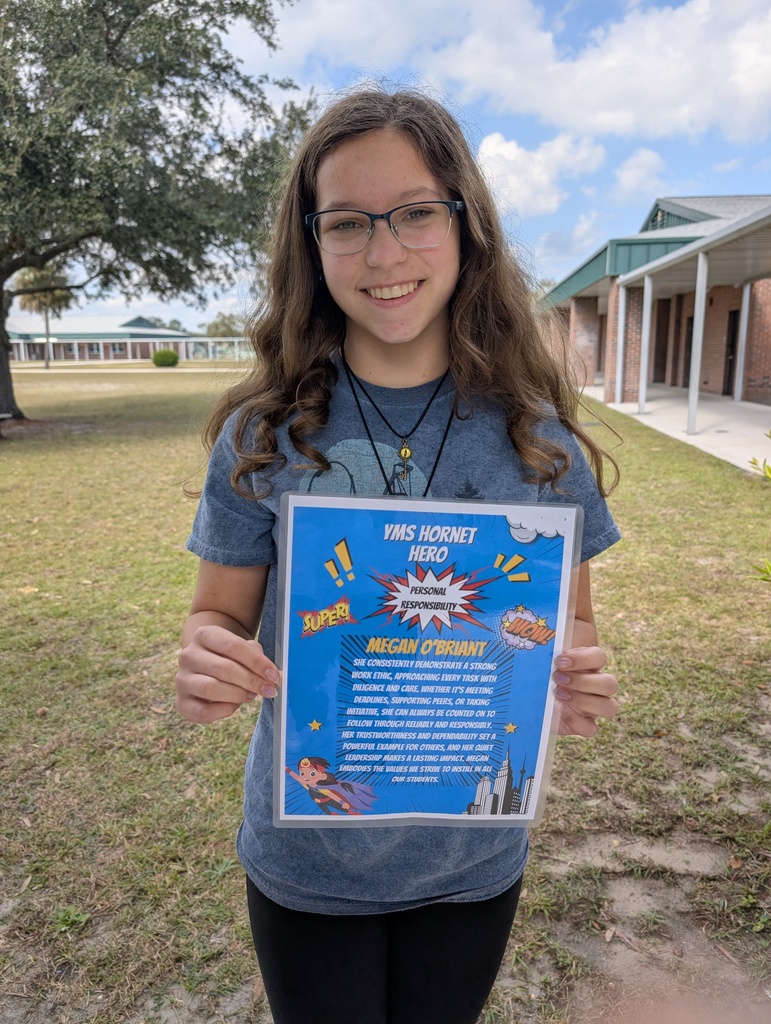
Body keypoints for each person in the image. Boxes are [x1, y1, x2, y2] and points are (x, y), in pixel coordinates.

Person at [175, 88, 621, 1024]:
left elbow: (567, 625)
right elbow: (215, 614)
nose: (383, 252)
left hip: (471, 860)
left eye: (415, 213)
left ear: (466, 226)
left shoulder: (543, 449)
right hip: (309, 862)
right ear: (313, 243)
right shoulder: (262, 437)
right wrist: (209, 657)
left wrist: (574, 677)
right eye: (348, 223)